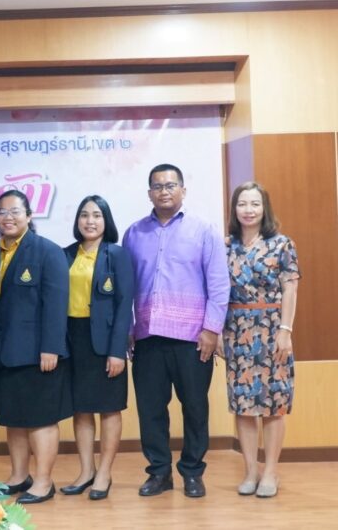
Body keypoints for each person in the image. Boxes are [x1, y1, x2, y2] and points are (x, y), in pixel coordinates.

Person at [123, 163, 229, 499]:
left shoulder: (204, 230)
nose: (164, 191)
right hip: (147, 337)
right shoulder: (134, 233)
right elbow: (126, 287)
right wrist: (128, 327)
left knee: (195, 407)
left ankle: (193, 472)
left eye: (170, 185)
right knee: (151, 409)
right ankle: (159, 472)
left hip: (192, 338)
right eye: (157, 186)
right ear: (149, 193)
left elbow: (219, 284)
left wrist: (212, 330)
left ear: (183, 190)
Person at [0, 190, 70, 504]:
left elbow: (56, 304)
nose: (8, 217)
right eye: (2, 212)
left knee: (41, 418)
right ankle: (19, 475)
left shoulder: (47, 251)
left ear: (29, 215)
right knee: (14, 418)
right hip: (4, 351)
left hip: (39, 352)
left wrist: (50, 347)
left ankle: (43, 481)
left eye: (15, 211)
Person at [223, 182, 299, 499]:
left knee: (273, 405)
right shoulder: (226, 246)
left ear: (264, 207)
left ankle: (270, 472)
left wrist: (285, 330)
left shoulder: (282, 244)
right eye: (242, 203)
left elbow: (290, 288)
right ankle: (251, 471)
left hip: (272, 329)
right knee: (243, 405)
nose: (249, 210)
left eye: (255, 203)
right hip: (237, 330)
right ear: (234, 208)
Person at [60, 195, 134, 501]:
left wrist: (117, 350)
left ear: (106, 220)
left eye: (96, 215)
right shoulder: (66, 254)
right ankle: (86, 470)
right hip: (73, 339)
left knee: (108, 407)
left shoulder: (116, 254)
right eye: (84, 215)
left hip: (105, 341)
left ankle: (104, 472)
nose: (90, 221)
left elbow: (124, 304)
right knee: (81, 408)